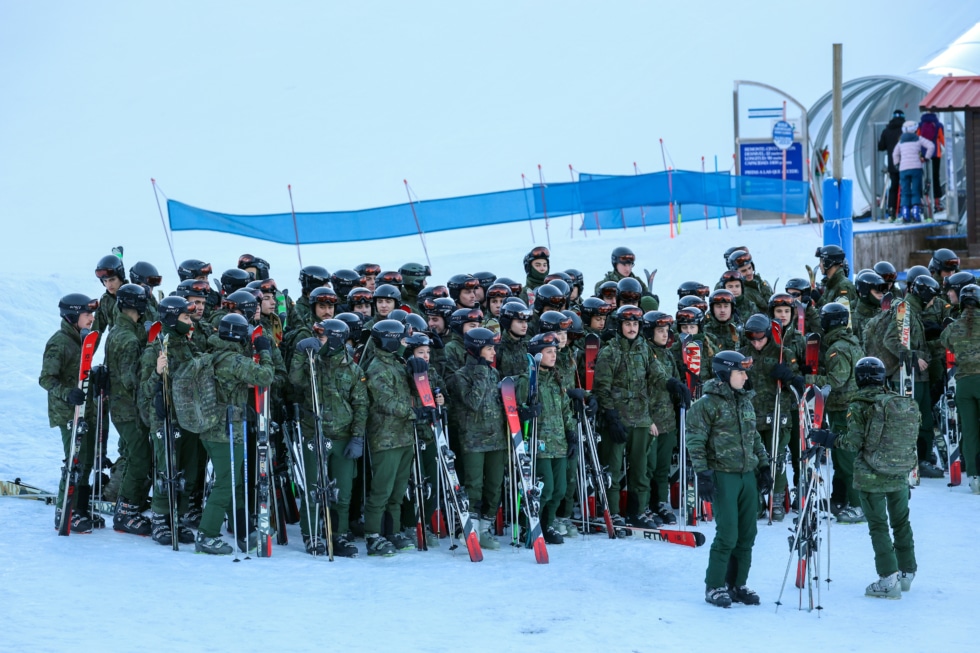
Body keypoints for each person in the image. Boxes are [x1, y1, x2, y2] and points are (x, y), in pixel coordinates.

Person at [813, 356, 919, 598]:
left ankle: (887, 579)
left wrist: (828, 439)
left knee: (879, 526)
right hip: (899, 473)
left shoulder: (858, 405)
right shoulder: (898, 401)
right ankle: (907, 572)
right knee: (901, 522)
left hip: (871, 475)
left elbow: (852, 444)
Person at [686, 350, 770, 608]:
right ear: (725, 374)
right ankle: (715, 585)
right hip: (723, 476)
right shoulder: (705, 405)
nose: (745, 377)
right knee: (728, 534)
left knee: (748, 533)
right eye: (740, 372)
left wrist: (764, 466)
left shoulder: (745, 401)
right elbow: (695, 441)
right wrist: (703, 474)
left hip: (747, 475)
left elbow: (754, 436)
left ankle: (737, 583)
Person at [194, 314, 274, 555]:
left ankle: (242, 529)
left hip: (212, 430)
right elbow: (265, 377)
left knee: (235, 483)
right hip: (226, 433)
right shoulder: (234, 360)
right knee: (227, 485)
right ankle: (206, 535)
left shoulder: (215, 354)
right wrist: (265, 351)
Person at [289, 319, 367, 556]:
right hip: (315, 432)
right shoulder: (313, 364)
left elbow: (361, 405)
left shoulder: (352, 370)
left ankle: (338, 534)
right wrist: (300, 353)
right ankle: (311, 533)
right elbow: (296, 380)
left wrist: (357, 437)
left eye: (322, 337)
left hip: (343, 436)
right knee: (313, 489)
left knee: (342, 492)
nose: (318, 341)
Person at [593, 304, 666, 529]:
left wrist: (673, 384)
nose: (632, 328)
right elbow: (601, 387)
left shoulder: (644, 348)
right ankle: (613, 511)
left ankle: (637, 510)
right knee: (613, 469)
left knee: (640, 469)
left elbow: (657, 374)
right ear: (620, 326)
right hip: (618, 419)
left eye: (635, 324)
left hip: (641, 418)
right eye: (627, 324)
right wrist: (611, 416)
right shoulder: (610, 350)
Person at [137, 296, 200, 547]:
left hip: (186, 417)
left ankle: (179, 516)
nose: (190, 321)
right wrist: (157, 372)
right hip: (165, 418)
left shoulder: (185, 344)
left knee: (186, 470)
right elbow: (143, 388)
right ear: (173, 319)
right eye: (185, 317)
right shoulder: (156, 348)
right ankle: (161, 518)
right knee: (167, 469)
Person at [40, 293, 101, 533]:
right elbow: (46, 378)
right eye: (87, 314)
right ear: (73, 316)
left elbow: (80, 371)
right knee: (74, 461)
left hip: (82, 409)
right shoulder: (60, 342)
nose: (92, 318)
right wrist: (67, 393)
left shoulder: (80, 339)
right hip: (67, 412)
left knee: (85, 460)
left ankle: (80, 508)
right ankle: (64, 510)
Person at [447, 327, 509, 550]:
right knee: (474, 485)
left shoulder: (494, 373)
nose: (494, 352)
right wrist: (482, 372)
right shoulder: (460, 376)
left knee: (494, 486)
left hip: (497, 439)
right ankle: (470, 528)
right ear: (476, 349)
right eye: (489, 348)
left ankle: (485, 529)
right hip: (473, 440)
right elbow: (473, 402)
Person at [805, 302, 866, 522]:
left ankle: (859, 506)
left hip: (844, 408)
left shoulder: (837, 348)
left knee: (846, 457)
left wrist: (809, 380)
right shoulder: (849, 342)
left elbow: (837, 379)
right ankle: (840, 498)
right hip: (849, 406)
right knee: (840, 458)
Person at [514, 333, 576, 545]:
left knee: (560, 489)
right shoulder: (527, 380)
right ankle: (528, 525)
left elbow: (565, 409)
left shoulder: (557, 379)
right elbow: (517, 410)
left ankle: (547, 524)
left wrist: (571, 433)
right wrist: (526, 412)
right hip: (538, 443)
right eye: (549, 352)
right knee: (544, 489)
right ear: (537, 355)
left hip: (559, 443)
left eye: (555, 352)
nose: (553, 356)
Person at [362, 319, 416, 555]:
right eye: (401, 338)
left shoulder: (398, 362)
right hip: (385, 437)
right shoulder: (376, 367)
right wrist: (414, 412)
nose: (404, 342)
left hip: (404, 436)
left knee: (398, 490)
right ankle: (373, 535)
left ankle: (392, 531)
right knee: (382, 490)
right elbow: (385, 400)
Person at [104, 284, 154, 536]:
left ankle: (129, 502)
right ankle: (125, 511)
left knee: (137, 455)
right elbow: (130, 378)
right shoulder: (127, 338)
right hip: (129, 409)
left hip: (124, 407)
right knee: (140, 457)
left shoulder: (122, 330)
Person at [940, 284, 980, 493]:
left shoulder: (954, 327)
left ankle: (975, 478)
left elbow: (945, 342)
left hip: (964, 384)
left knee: (970, 431)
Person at [892, 120, 935, 223]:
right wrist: (926, 158)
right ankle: (916, 212)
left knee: (905, 191)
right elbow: (931, 146)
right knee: (916, 190)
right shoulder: (918, 139)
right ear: (915, 129)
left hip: (903, 169)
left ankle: (905, 214)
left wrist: (897, 164)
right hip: (916, 168)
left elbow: (895, 154)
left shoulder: (900, 142)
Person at [877, 109, 906, 219]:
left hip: (892, 164)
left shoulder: (887, 130)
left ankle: (892, 210)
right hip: (906, 163)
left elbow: (881, 147)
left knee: (893, 187)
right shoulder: (906, 130)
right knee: (906, 186)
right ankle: (906, 210)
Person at [917, 112, 945, 212]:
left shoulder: (920, 125)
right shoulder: (938, 125)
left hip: (923, 155)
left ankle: (924, 202)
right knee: (935, 178)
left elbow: (917, 139)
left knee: (924, 178)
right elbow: (943, 140)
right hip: (935, 154)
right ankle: (937, 202)